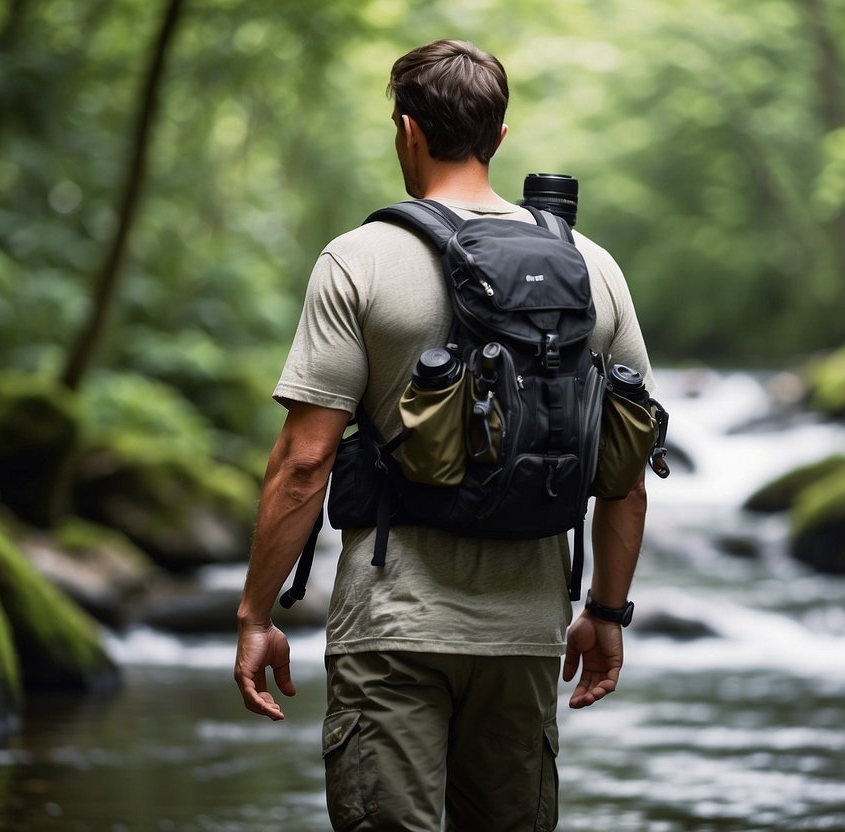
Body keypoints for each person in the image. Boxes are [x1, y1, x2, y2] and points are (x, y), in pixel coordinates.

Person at [234, 39, 654, 832]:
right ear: (498, 138)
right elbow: (625, 471)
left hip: (390, 625)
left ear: (405, 130)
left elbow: (305, 460)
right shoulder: (590, 267)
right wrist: (605, 612)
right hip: (526, 632)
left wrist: (256, 616)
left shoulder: (357, 259)